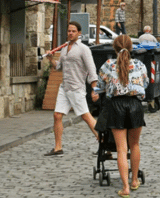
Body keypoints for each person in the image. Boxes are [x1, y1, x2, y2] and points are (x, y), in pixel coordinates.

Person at [97, 35, 147, 197]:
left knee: (121, 149)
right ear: (131, 48)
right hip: (135, 105)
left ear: (115, 48)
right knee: (135, 145)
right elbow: (145, 84)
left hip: (116, 106)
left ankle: (125, 187)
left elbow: (100, 87)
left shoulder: (108, 65)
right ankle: (134, 181)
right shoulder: (139, 65)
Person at [45, 21, 100, 156]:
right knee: (57, 115)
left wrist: (94, 89)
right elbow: (59, 66)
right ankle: (58, 148)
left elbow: (92, 70)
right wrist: (51, 59)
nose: (70, 33)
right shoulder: (64, 48)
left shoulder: (83, 49)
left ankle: (103, 142)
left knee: (86, 117)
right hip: (65, 87)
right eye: (69, 31)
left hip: (77, 88)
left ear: (79, 33)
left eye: (73, 31)